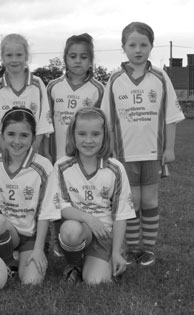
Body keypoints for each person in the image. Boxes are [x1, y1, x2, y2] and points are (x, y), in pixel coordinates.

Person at [101, 22, 185, 266]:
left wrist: (169, 148)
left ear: (151, 46)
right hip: (123, 155)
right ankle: (131, 246)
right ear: (123, 48)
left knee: (149, 201)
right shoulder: (115, 79)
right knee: (131, 202)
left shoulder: (160, 77)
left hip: (152, 153)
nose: (138, 50)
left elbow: (171, 116)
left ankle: (147, 249)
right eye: (132, 45)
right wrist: (109, 150)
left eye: (143, 44)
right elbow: (106, 121)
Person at [43, 107, 136, 284]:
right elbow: (61, 207)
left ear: (105, 136)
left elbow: (121, 215)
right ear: (73, 135)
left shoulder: (115, 168)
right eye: (82, 134)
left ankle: (104, 258)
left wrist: (116, 251)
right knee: (70, 230)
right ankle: (74, 263)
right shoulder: (62, 166)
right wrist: (89, 219)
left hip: (104, 234)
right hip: (78, 229)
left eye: (95, 134)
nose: (88, 140)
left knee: (95, 281)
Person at [0, 107, 59, 285]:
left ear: (33, 137)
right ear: (1, 135)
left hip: (31, 237)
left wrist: (38, 249)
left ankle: (25, 257)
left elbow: (46, 213)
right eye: (11, 134)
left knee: (31, 282)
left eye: (24, 135)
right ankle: (9, 262)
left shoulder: (44, 166)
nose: (17, 141)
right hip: (5, 230)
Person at [0, 33, 53, 154]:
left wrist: (30, 154)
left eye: (19, 55)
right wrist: (9, 154)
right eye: (9, 55)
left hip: (33, 156)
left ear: (26, 56)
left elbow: (43, 125)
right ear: (2, 57)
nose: (14, 60)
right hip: (5, 156)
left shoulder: (38, 85)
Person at [47, 33, 104, 163]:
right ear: (65, 59)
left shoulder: (98, 89)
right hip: (57, 157)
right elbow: (46, 125)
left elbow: (103, 127)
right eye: (73, 56)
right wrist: (46, 152)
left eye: (83, 57)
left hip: (87, 159)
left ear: (90, 61)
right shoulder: (53, 87)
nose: (78, 61)